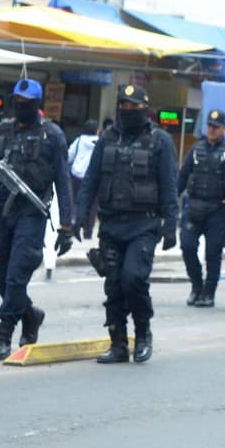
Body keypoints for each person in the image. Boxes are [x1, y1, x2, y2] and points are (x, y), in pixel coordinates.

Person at [76, 85, 179, 364]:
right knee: (113, 287)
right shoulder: (108, 137)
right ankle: (118, 344)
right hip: (110, 225)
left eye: (134, 106)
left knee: (133, 279)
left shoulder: (160, 141)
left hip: (143, 225)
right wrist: (80, 215)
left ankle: (143, 335)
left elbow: (169, 185)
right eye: (124, 105)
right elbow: (91, 179)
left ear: (145, 108)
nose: (129, 110)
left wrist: (171, 224)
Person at [0, 78, 74, 360]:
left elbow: (62, 180)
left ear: (37, 105)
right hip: (1, 213)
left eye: (27, 104)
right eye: (18, 103)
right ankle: (30, 315)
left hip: (31, 214)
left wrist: (66, 226)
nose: (22, 108)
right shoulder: (1, 131)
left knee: (16, 276)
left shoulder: (52, 135)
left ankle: (4, 333)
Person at [176, 109, 225, 308]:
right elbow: (182, 177)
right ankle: (196, 286)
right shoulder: (196, 149)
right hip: (193, 207)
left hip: (217, 210)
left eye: (216, 127)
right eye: (210, 126)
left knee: (213, 253)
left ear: (224, 128)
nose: (212, 130)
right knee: (187, 247)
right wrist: (169, 202)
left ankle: (209, 292)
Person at [68, 119, 100, 240]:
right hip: (93, 177)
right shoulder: (100, 142)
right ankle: (88, 230)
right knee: (92, 205)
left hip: (77, 175)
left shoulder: (79, 140)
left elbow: (69, 155)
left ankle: (73, 222)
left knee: (75, 201)